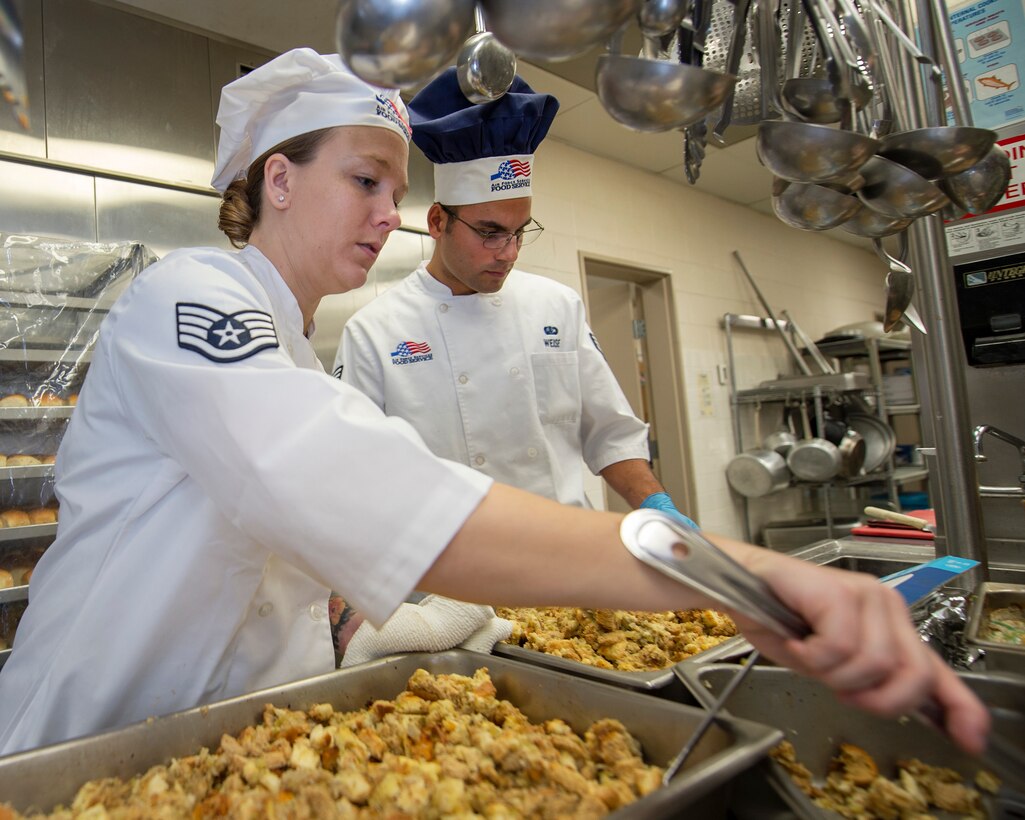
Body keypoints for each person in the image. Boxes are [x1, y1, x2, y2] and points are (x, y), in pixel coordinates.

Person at [0, 49, 988, 759]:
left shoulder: (293, 356)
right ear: (278, 179)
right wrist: (731, 575)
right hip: (75, 743)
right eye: (365, 180)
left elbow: (289, 567)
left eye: (396, 185)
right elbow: (367, 492)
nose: (390, 214)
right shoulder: (190, 295)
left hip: (208, 746)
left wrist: (370, 632)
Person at [335, 69, 693, 525]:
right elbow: (356, 472)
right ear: (438, 222)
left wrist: (658, 507)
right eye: (489, 233)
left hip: (566, 558)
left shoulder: (557, 307)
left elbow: (610, 434)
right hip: (454, 577)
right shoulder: (375, 331)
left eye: (519, 232)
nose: (508, 253)